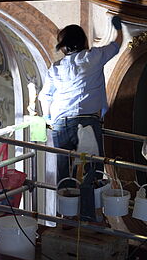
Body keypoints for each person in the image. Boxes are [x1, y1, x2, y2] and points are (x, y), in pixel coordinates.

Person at [40, 16, 123, 188]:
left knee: (64, 174)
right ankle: (91, 212)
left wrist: (48, 119)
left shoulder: (56, 68)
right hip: (88, 123)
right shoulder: (93, 57)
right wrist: (119, 27)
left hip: (61, 123)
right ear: (84, 40)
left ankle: (66, 212)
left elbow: (45, 97)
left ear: (63, 47)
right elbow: (117, 45)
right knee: (93, 172)